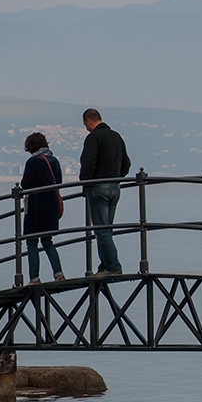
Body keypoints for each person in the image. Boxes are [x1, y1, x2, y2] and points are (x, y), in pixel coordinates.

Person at [80, 108, 131, 276]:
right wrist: (116, 177)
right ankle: (104, 265)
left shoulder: (93, 138)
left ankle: (114, 266)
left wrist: (85, 183)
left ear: (88, 121)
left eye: (85, 124)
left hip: (98, 188)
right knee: (106, 230)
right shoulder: (116, 137)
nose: (86, 128)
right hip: (115, 188)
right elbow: (126, 163)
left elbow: (88, 164)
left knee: (101, 230)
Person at [21, 132, 65, 285]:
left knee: (31, 242)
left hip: (36, 206)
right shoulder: (54, 160)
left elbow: (25, 184)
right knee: (47, 241)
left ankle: (34, 278)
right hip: (51, 204)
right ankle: (58, 273)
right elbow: (58, 181)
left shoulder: (33, 162)